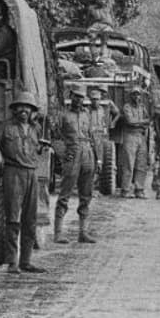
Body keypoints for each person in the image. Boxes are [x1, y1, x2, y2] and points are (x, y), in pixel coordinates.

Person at [0, 91, 51, 273]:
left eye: (28, 107)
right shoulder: (4, 127)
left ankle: (26, 261)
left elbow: (35, 147)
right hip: (13, 173)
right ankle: (12, 262)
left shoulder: (35, 129)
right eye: (20, 106)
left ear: (32, 110)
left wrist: (42, 148)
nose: (24, 110)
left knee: (30, 219)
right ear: (15, 109)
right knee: (12, 219)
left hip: (32, 174)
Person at [53, 85, 99, 240]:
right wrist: (63, 154)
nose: (79, 100)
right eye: (76, 96)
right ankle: (58, 233)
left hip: (87, 154)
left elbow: (92, 137)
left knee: (86, 194)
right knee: (65, 193)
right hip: (72, 154)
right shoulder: (63, 115)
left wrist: (97, 158)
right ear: (71, 96)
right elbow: (56, 138)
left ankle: (83, 232)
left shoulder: (87, 115)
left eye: (81, 97)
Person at [118, 87, 152, 199]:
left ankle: (139, 189)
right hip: (130, 136)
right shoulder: (127, 107)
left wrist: (140, 123)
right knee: (129, 163)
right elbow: (130, 121)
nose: (136, 97)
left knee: (141, 164)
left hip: (141, 136)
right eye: (134, 94)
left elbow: (148, 120)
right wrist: (142, 122)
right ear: (131, 96)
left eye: (138, 95)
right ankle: (125, 189)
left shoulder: (142, 107)